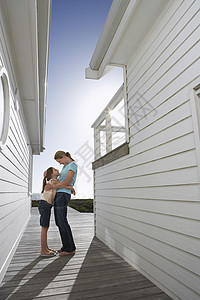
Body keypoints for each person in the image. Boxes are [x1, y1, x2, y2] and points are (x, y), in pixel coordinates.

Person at [45, 151, 77, 256]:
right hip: (60, 194)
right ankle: (66, 246)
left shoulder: (72, 165)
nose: (60, 164)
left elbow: (66, 182)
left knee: (62, 221)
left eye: (60, 161)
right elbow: (61, 182)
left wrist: (56, 186)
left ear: (63, 157)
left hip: (63, 195)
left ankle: (70, 249)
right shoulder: (65, 167)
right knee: (59, 222)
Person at [38, 166, 75, 257]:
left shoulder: (52, 180)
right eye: (55, 170)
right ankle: (43, 250)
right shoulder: (54, 181)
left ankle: (46, 248)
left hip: (45, 205)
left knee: (45, 227)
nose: (57, 170)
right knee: (44, 228)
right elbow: (64, 185)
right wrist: (72, 188)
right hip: (45, 205)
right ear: (51, 174)